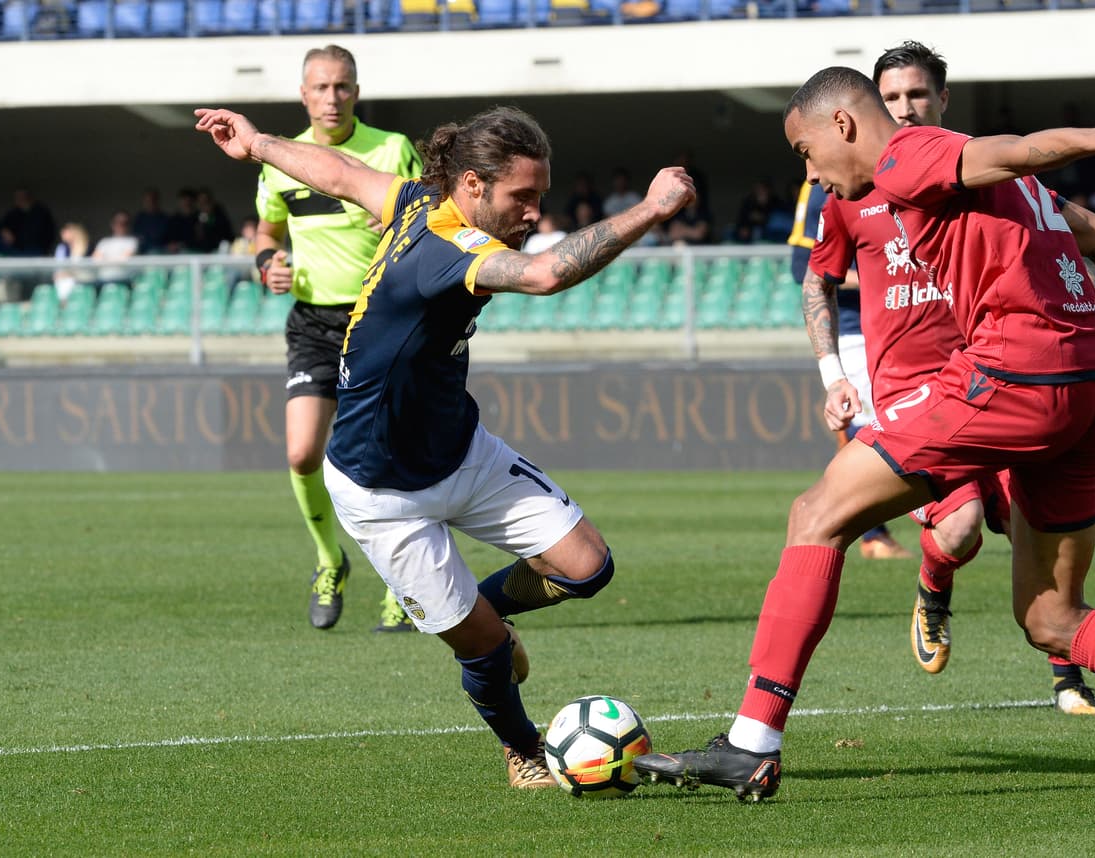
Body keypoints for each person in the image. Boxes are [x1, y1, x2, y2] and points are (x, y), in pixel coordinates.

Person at [635, 68, 1095, 801]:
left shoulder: (907, 154)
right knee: (1052, 618)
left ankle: (750, 745)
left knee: (816, 514)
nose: (809, 172)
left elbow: (1013, 148)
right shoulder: (952, 182)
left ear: (843, 126)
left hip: (1016, 374)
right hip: (1092, 381)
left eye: (806, 152)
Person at [195, 101, 696, 788]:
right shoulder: (446, 248)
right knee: (485, 652)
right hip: (380, 492)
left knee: (587, 568)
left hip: (462, 452)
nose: (534, 214)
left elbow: (339, 172)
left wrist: (257, 143)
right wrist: (652, 209)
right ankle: (522, 749)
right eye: (522, 197)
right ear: (472, 185)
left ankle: (481, 618)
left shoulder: (417, 200)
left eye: (540, 196)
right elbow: (545, 274)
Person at [803, 41, 1095, 715]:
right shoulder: (848, 189)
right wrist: (832, 374)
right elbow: (819, 282)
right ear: (867, 107)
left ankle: (1067, 673)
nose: (905, 107)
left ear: (943, 99)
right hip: (914, 387)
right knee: (959, 528)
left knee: (1031, 524)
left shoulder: (976, 174)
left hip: (1003, 372)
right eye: (891, 97)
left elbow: (1054, 250)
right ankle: (934, 588)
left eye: (917, 94)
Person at [253, 45, 424, 633]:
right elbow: (267, 231)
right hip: (312, 322)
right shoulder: (281, 158)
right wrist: (267, 263)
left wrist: (400, 220)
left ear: (357, 91)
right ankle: (330, 560)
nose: (332, 98)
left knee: (385, 457)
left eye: (342, 86)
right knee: (302, 453)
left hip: (380, 320)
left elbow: (429, 219)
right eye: (321, 88)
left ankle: (402, 584)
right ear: (304, 95)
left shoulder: (391, 149)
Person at [788, 181, 912, 561]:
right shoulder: (822, 186)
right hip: (855, 327)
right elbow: (801, 268)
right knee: (866, 424)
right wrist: (883, 273)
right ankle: (872, 533)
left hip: (906, 321)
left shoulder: (903, 175)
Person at [132, 188, 170, 256]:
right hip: (143, 254)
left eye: (153, 200)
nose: (151, 203)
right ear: (144, 201)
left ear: (158, 201)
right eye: (148, 200)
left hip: (162, 254)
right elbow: (137, 240)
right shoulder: (138, 219)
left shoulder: (165, 218)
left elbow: (169, 241)